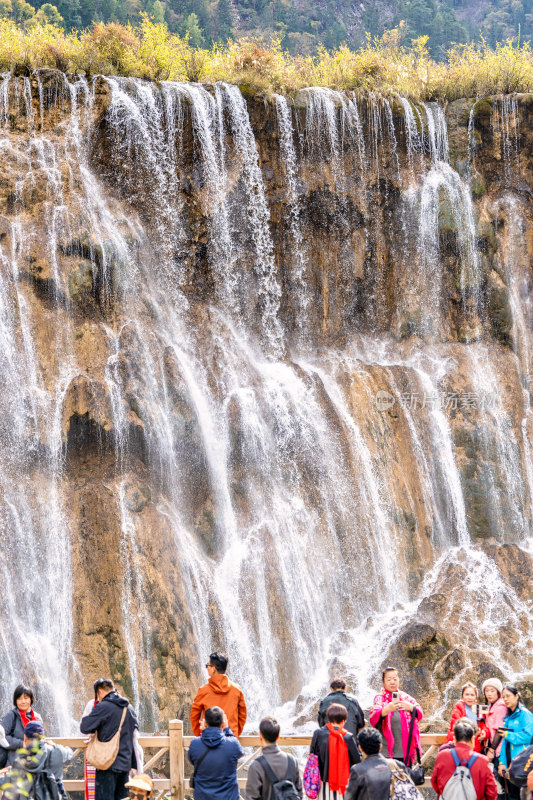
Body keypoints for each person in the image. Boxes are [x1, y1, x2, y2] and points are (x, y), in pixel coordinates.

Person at [80, 679, 139, 800]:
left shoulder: (103, 706)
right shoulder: (129, 707)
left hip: (107, 763)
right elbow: (135, 732)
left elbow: (84, 727)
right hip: (125, 765)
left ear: (100, 691)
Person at [369, 668, 423, 767]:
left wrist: (411, 708)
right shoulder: (380, 698)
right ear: (383, 682)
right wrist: (386, 709)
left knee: (404, 779)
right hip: (386, 751)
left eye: (395, 679)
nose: (392, 682)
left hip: (405, 750)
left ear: (398, 680)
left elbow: (420, 713)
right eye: (389, 679)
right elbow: (373, 717)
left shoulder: (406, 698)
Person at [188, 705, 244, 800]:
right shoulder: (233, 744)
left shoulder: (195, 744)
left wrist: (204, 731)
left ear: (205, 723)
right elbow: (240, 752)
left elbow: (191, 759)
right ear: (223, 724)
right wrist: (227, 730)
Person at [432, 720, 497, 800]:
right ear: (472, 740)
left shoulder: (442, 755)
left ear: (455, 739)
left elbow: (434, 781)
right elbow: (492, 791)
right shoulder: (482, 760)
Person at [245, 717, 302, 800]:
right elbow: (299, 793)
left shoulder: (256, 766)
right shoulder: (292, 761)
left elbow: (251, 797)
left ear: (260, 736)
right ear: (278, 737)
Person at [310, 704, 361, 797]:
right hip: (343, 782)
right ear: (343, 720)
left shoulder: (318, 734)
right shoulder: (348, 736)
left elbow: (312, 755)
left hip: (322, 781)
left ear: (328, 718)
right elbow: (357, 760)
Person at [190, 654, 247, 738]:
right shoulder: (236, 689)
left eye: (207, 665)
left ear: (213, 669)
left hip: (209, 740)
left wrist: (201, 735)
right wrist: (235, 733)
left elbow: (194, 716)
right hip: (230, 741)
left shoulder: (203, 691)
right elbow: (242, 715)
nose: (207, 668)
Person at [496, 686, 533, 800]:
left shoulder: (525, 714)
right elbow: (503, 742)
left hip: (522, 763)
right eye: (503, 697)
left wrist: (508, 734)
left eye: (508, 696)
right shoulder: (508, 717)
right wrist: (502, 762)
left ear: (516, 696)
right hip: (509, 763)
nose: (505, 699)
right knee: (512, 795)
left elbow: (528, 736)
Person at [344, 727, 393, 800]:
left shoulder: (357, 770)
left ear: (360, 748)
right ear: (380, 747)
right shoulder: (396, 765)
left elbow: (349, 797)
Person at [0, 686, 44, 768]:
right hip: (14, 763)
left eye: (26, 698)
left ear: (31, 699)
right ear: (15, 701)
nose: (23, 701)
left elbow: (41, 739)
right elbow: (2, 737)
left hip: (34, 762)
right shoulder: (11, 716)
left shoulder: (37, 718)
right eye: (19, 698)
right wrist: (21, 744)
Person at [446, 683, 483, 752]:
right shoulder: (459, 707)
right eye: (467, 694)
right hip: (459, 743)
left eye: (472, 695)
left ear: (476, 697)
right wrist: (476, 732)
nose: (469, 697)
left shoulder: (479, 709)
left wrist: (484, 733)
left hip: (475, 745)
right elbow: (456, 725)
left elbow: (484, 726)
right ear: (462, 696)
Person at [478, 679, 507, 762]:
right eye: (486, 691)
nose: (489, 694)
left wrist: (491, 750)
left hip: (498, 749)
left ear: (498, 692)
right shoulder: (491, 705)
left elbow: (500, 729)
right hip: (492, 746)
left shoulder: (501, 707)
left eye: (492, 691)